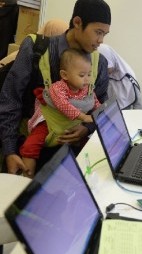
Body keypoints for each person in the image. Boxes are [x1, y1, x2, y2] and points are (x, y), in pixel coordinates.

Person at [0, 0, 111, 175]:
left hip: (69, 156)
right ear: (77, 22)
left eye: (104, 34)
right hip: (28, 151)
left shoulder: (99, 63)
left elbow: (102, 106)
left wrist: (87, 128)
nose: (100, 41)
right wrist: (9, 151)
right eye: (98, 32)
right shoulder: (36, 49)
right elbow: (10, 99)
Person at [20, 48, 101, 177]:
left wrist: (100, 113)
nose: (86, 80)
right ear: (64, 75)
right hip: (49, 121)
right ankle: (26, 179)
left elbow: (94, 102)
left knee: (88, 148)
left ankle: (87, 176)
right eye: (81, 75)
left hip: (71, 124)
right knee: (30, 146)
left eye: (89, 74)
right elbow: (63, 105)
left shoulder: (87, 88)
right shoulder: (57, 88)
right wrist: (84, 117)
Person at [98, 43, 142, 109]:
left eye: (105, 66)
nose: (104, 70)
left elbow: (138, 104)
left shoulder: (128, 77)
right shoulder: (104, 74)